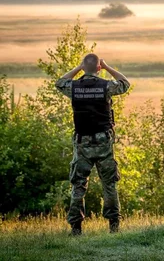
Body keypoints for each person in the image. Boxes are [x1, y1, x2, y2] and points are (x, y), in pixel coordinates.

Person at [55, 53, 130, 236]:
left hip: (82, 143)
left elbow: (59, 83)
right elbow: (125, 84)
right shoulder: (106, 86)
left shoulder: (73, 87)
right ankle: (114, 225)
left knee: (78, 185)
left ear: (83, 67)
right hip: (103, 142)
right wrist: (107, 67)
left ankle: (76, 228)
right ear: (98, 68)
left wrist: (78, 68)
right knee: (109, 184)